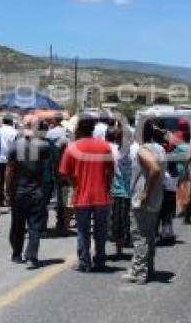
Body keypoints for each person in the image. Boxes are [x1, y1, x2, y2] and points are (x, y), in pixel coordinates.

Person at [59, 115, 114, 272]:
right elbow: (110, 171)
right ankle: (100, 260)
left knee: (83, 231)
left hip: (82, 194)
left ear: (78, 129)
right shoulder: (104, 147)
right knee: (101, 230)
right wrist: (106, 187)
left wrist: (75, 184)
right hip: (102, 195)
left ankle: (84, 262)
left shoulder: (72, 148)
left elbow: (64, 172)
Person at [5, 121, 53, 269]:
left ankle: (16, 254)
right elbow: (46, 167)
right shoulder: (44, 147)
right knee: (35, 225)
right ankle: (32, 256)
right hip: (36, 190)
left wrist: (7, 190)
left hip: (19, 191)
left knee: (17, 225)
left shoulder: (14, 147)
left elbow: (9, 171)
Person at [122, 121, 165, 284]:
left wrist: (145, 194)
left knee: (140, 236)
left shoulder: (142, 150)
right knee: (149, 235)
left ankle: (139, 272)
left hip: (143, 200)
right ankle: (148, 268)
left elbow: (154, 169)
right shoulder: (159, 148)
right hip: (156, 198)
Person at [107, 126, 132, 259]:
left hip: (120, 191)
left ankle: (119, 249)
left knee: (118, 221)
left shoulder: (117, 151)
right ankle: (120, 248)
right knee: (122, 221)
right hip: (123, 191)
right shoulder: (128, 151)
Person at [0, 116, 19, 209]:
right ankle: (10, 199)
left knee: (0, 180)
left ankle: (0, 200)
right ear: (11, 122)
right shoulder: (15, 132)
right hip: (11, 159)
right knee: (12, 180)